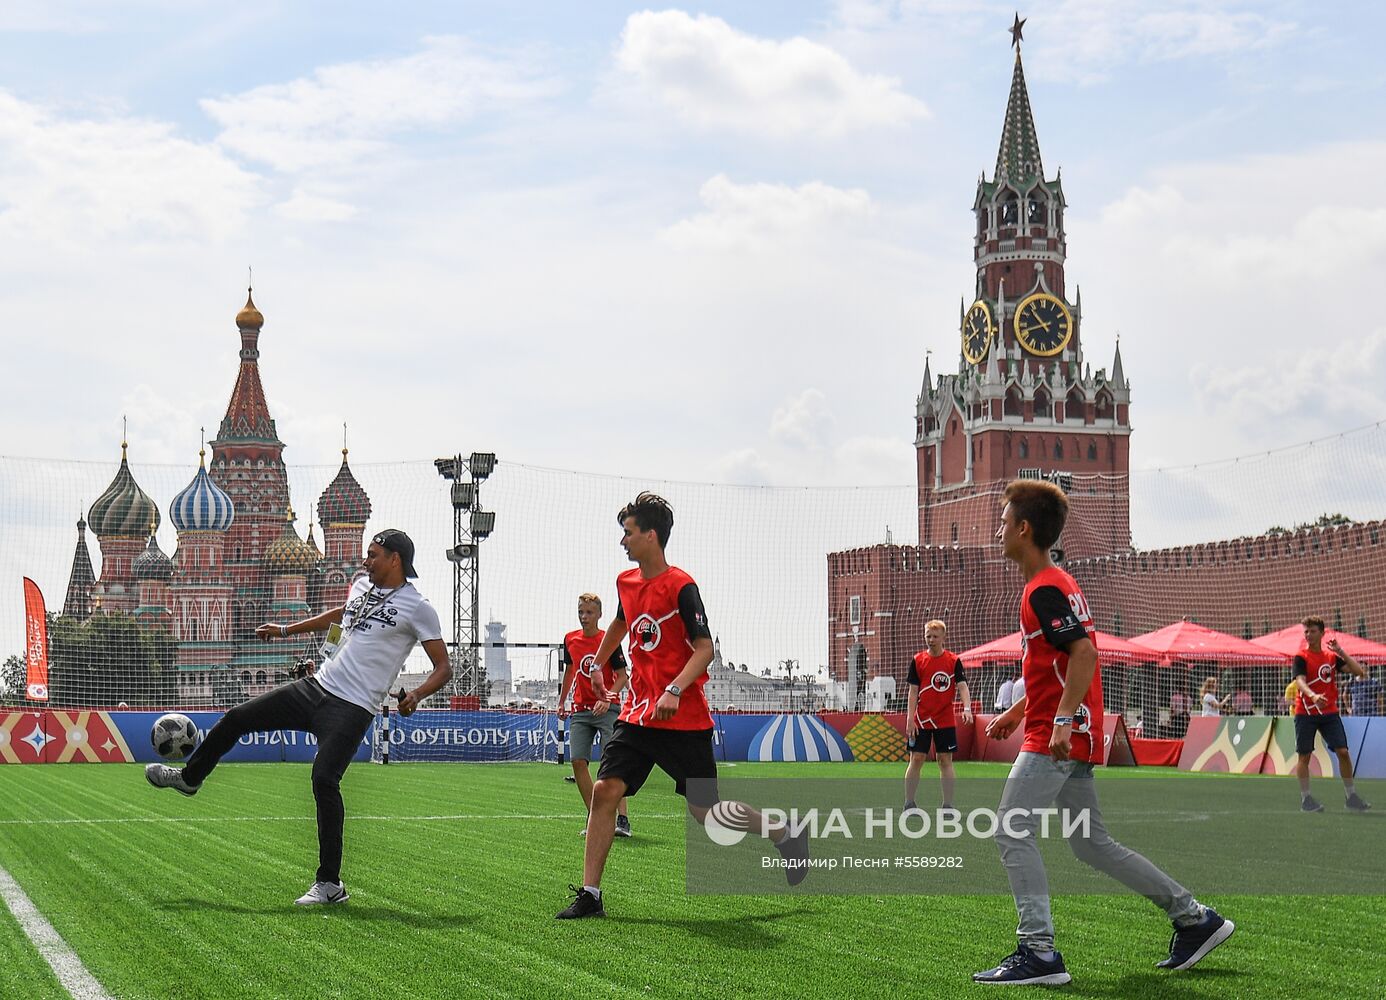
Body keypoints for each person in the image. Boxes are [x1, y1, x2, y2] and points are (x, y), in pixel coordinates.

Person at [974, 480, 1233, 985]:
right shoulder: (1055, 584)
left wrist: (1060, 722)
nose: (998, 530)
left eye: (1004, 521)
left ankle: (1039, 953)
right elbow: (1062, 661)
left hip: (1060, 738)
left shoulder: (1044, 589)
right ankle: (1195, 919)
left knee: (1010, 828)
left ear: (1024, 529)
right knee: (1091, 845)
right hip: (1070, 732)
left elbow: (1086, 656)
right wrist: (1024, 709)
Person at [146, 529, 452, 905]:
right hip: (317, 687)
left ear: (395, 559)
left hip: (353, 706)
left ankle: (329, 885)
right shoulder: (359, 587)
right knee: (238, 717)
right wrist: (290, 632)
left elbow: (444, 666)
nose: (365, 561)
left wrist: (418, 694)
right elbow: (342, 621)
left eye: (372, 555)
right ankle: (190, 779)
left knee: (324, 780)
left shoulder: (417, 606)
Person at [555, 493, 808, 919]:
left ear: (650, 536)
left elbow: (705, 649)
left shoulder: (682, 586)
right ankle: (591, 895)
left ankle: (784, 833)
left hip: (683, 718)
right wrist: (597, 663)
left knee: (708, 815)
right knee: (604, 791)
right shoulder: (626, 583)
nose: (623, 541)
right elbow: (619, 623)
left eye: (629, 532)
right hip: (637, 715)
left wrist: (673, 689)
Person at [558, 592, 632, 837]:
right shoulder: (570, 639)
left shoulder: (608, 640)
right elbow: (570, 672)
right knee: (578, 761)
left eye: (589, 612)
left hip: (607, 709)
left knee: (614, 763)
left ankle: (622, 820)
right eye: (580, 612)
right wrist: (562, 701)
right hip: (580, 710)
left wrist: (607, 697)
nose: (584, 617)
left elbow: (622, 677)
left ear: (600, 614)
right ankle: (596, 818)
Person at [1291, 617, 1370, 813]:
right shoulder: (1300, 656)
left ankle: (1351, 796)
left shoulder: (1331, 657)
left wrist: (1340, 651)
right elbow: (1299, 681)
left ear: (1322, 633)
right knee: (1304, 756)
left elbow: (1359, 672)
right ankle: (1306, 799)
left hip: (1329, 712)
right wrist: (1312, 695)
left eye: (1312, 631)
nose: (1308, 635)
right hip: (1306, 712)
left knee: (1343, 752)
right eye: (1306, 632)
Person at [903, 619, 972, 814]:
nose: (930, 640)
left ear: (943, 637)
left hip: (945, 719)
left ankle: (948, 805)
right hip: (922, 720)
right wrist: (910, 719)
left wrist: (967, 708)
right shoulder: (918, 660)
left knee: (945, 760)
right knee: (916, 758)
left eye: (934, 636)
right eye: (928, 636)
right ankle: (909, 803)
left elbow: (962, 687)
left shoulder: (953, 661)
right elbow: (913, 692)